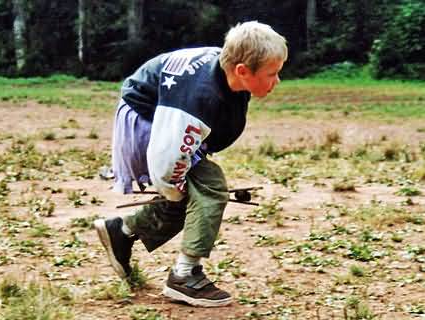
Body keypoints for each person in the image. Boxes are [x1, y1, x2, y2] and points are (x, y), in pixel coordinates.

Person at [94, 21, 288, 308]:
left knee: (195, 194)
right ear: (242, 71)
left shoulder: (228, 74)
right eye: (272, 74)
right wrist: (174, 190)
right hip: (147, 121)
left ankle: (121, 231)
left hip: (163, 116)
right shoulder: (197, 99)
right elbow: (167, 159)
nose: (277, 81)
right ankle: (184, 276)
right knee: (208, 188)